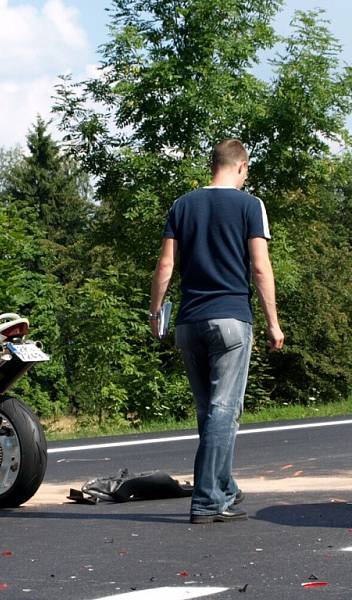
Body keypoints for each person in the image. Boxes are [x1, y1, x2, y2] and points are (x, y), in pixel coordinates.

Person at [149, 139, 284, 524]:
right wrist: (273, 322)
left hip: (189, 322)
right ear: (241, 166)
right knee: (225, 410)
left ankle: (224, 486)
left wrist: (156, 312)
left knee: (210, 411)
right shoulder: (249, 205)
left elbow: (165, 266)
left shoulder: (182, 205)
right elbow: (260, 268)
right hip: (230, 320)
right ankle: (208, 500)